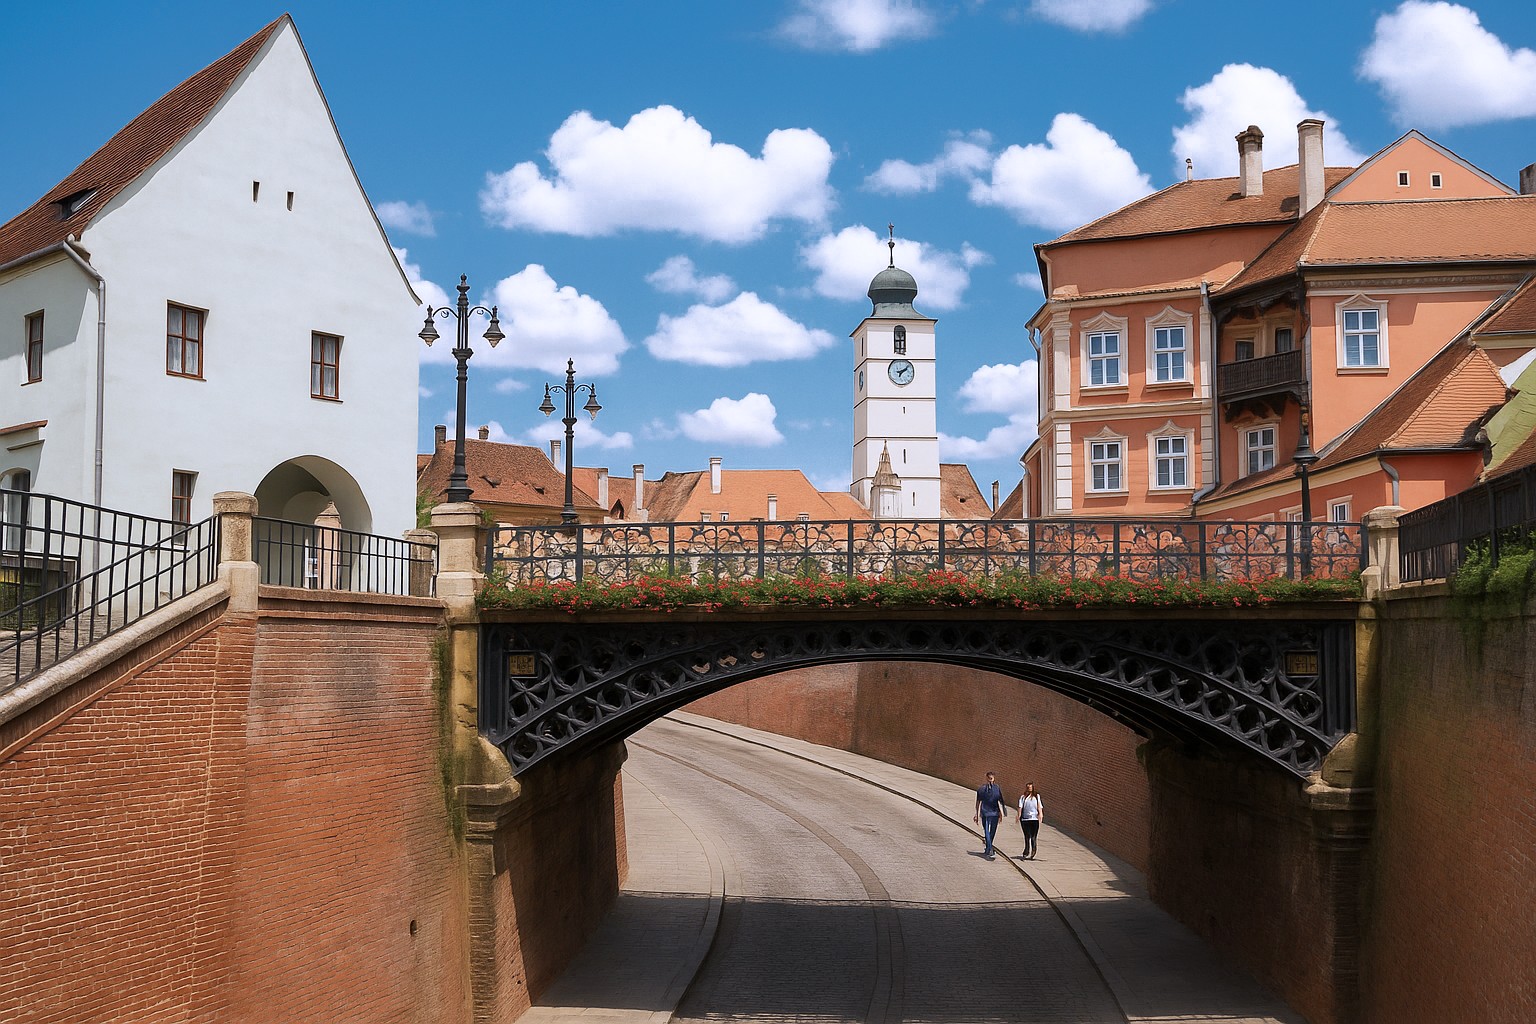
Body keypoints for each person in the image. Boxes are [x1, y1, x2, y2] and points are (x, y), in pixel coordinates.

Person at [973, 771, 1008, 858]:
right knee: (988, 831)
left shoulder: (995, 788)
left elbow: (999, 801)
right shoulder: (984, 789)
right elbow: (978, 802)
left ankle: (989, 847)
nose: (991, 780)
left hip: (993, 812)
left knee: (990, 831)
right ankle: (989, 848)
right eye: (990, 778)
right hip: (987, 813)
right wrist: (976, 814)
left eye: (991, 778)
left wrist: (1001, 812)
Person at [1017, 782, 1044, 859]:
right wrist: (1018, 815)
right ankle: (1026, 850)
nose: (1029, 789)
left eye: (1030, 787)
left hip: (1034, 819)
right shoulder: (1023, 797)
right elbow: (1020, 807)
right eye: (1028, 787)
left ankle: (1033, 850)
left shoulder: (1037, 796)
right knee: (1027, 836)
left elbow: (1039, 806)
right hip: (1025, 819)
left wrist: (1040, 814)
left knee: (1033, 836)